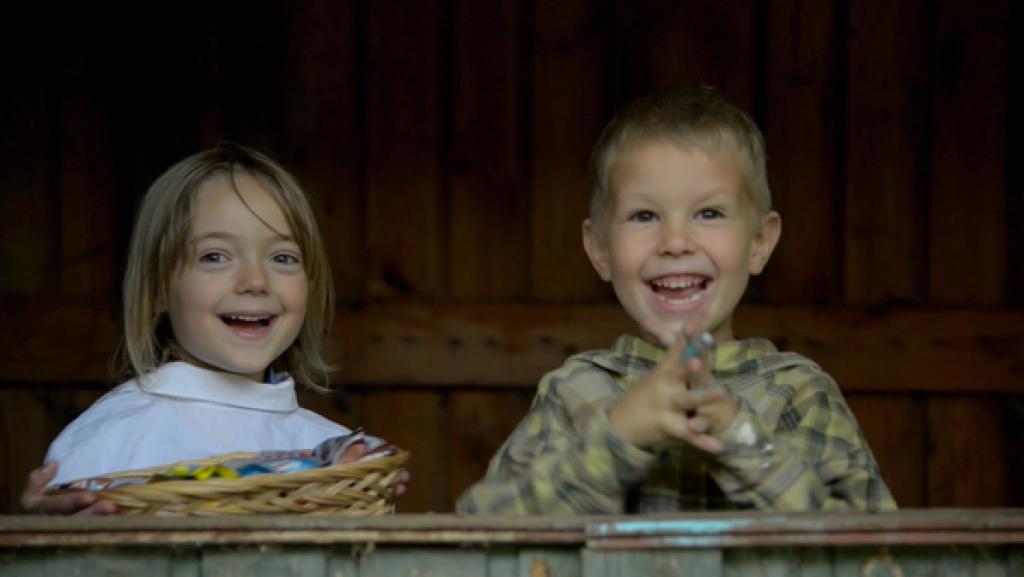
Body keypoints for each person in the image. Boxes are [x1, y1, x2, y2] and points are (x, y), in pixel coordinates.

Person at [457, 87, 896, 514]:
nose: (675, 242)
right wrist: (619, 437)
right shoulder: (576, 390)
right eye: (644, 216)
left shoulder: (798, 392)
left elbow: (878, 548)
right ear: (601, 250)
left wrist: (739, 436)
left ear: (759, 242)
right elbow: (480, 533)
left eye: (709, 213)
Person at [21, 143, 405, 514]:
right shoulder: (107, 440)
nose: (256, 280)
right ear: (158, 289)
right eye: (214, 256)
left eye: (283, 257)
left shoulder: (337, 456)